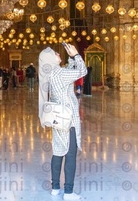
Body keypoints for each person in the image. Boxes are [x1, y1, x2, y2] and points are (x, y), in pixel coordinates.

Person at [39, 44, 87, 200]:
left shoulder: (51, 73)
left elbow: (71, 72)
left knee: (58, 152)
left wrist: (72, 58)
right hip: (68, 119)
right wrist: (77, 55)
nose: (58, 54)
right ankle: (68, 192)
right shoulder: (59, 73)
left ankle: (55, 188)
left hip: (57, 119)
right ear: (51, 59)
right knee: (71, 155)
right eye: (56, 53)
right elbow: (81, 71)